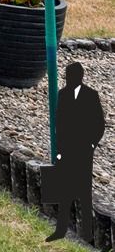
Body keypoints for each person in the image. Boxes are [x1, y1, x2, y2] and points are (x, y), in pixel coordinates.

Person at [46, 61, 104, 242]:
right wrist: (60, 149)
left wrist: (92, 144)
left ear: (80, 76)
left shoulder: (91, 95)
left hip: (84, 150)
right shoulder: (62, 94)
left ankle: (87, 233)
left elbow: (99, 123)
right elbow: (59, 123)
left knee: (85, 193)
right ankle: (61, 230)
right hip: (67, 149)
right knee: (65, 191)